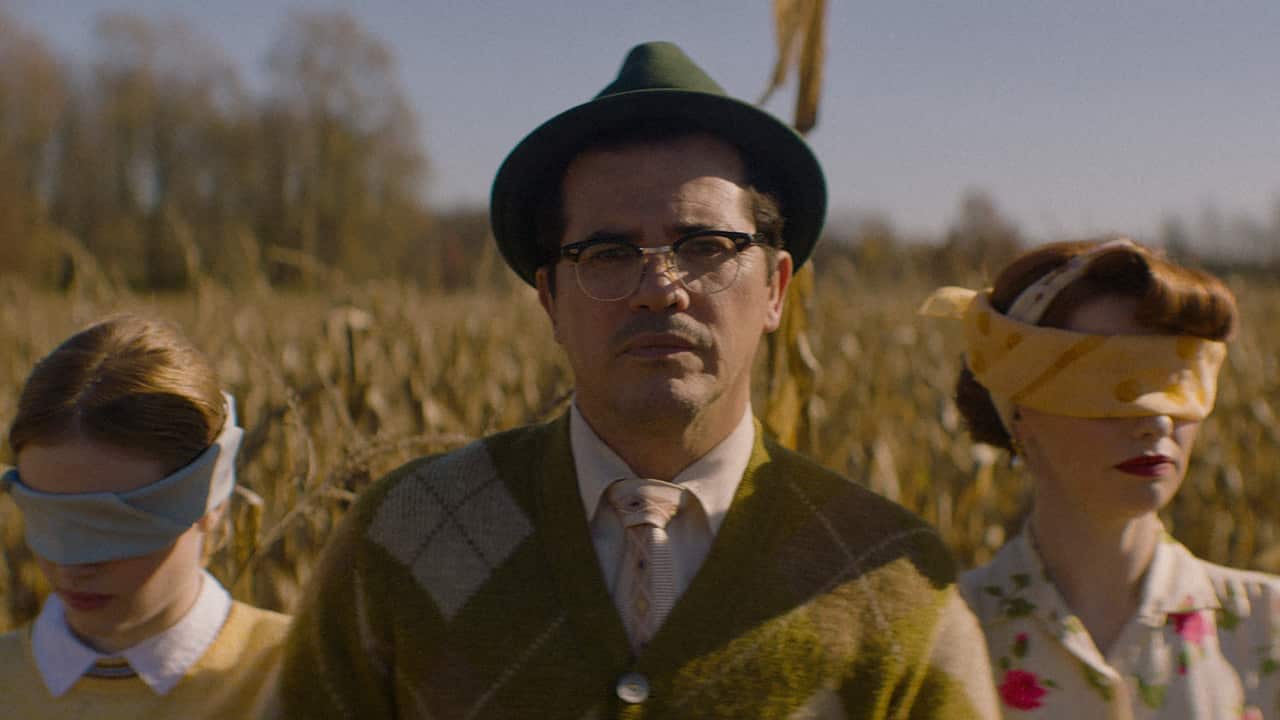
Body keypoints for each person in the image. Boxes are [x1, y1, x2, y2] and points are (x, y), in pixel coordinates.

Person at [277, 41, 998, 719]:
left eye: (706, 246)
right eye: (609, 253)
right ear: (550, 300)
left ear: (777, 289)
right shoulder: (404, 538)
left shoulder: (889, 579)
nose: (660, 288)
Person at [922, 237, 1280, 718]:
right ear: (1019, 411)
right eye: (1108, 385)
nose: (1156, 422)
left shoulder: (1266, 628)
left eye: (1177, 380)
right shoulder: (940, 638)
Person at [0, 315, 289, 719]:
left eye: (114, 527)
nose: (72, 563)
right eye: (46, 518)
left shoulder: (299, 677)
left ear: (212, 505)